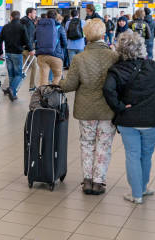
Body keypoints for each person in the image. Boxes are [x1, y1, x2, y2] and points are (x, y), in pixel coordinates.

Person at [103, 32, 155, 204]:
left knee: (133, 155)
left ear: (120, 49)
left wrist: (119, 106)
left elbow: (108, 90)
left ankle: (136, 194)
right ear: (141, 47)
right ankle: (143, 188)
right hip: (152, 120)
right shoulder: (151, 65)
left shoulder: (116, 70)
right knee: (146, 155)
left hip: (128, 121)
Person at [59, 19, 119, 195]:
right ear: (103, 35)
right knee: (104, 146)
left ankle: (87, 180)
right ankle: (98, 182)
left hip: (86, 110)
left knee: (87, 144)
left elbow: (69, 85)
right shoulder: (114, 57)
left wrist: (59, 82)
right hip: (108, 109)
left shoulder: (79, 58)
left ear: (86, 36)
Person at [0, 11, 33, 101]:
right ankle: (12, 89)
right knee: (19, 75)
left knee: (11, 74)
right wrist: (31, 49)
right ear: (19, 17)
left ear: (11, 17)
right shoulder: (22, 27)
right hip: (17, 53)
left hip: (8, 53)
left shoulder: (5, 27)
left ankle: (13, 94)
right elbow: (27, 40)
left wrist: (0, 52)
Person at [35, 9, 67, 85]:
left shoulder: (39, 26)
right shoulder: (59, 27)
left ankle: (44, 95)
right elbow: (65, 43)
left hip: (41, 56)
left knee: (43, 78)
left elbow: (34, 39)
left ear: (47, 16)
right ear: (56, 17)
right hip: (56, 55)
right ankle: (53, 93)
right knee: (57, 76)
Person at [20, 8, 38, 92]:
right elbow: (29, 37)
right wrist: (31, 49)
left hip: (21, 48)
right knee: (34, 66)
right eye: (34, 13)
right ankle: (32, 86)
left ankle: (13, 86)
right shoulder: (29, 23)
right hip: (28, 49)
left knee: (21, 68)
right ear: (29, 14)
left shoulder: (21, 21)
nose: (35, 15)